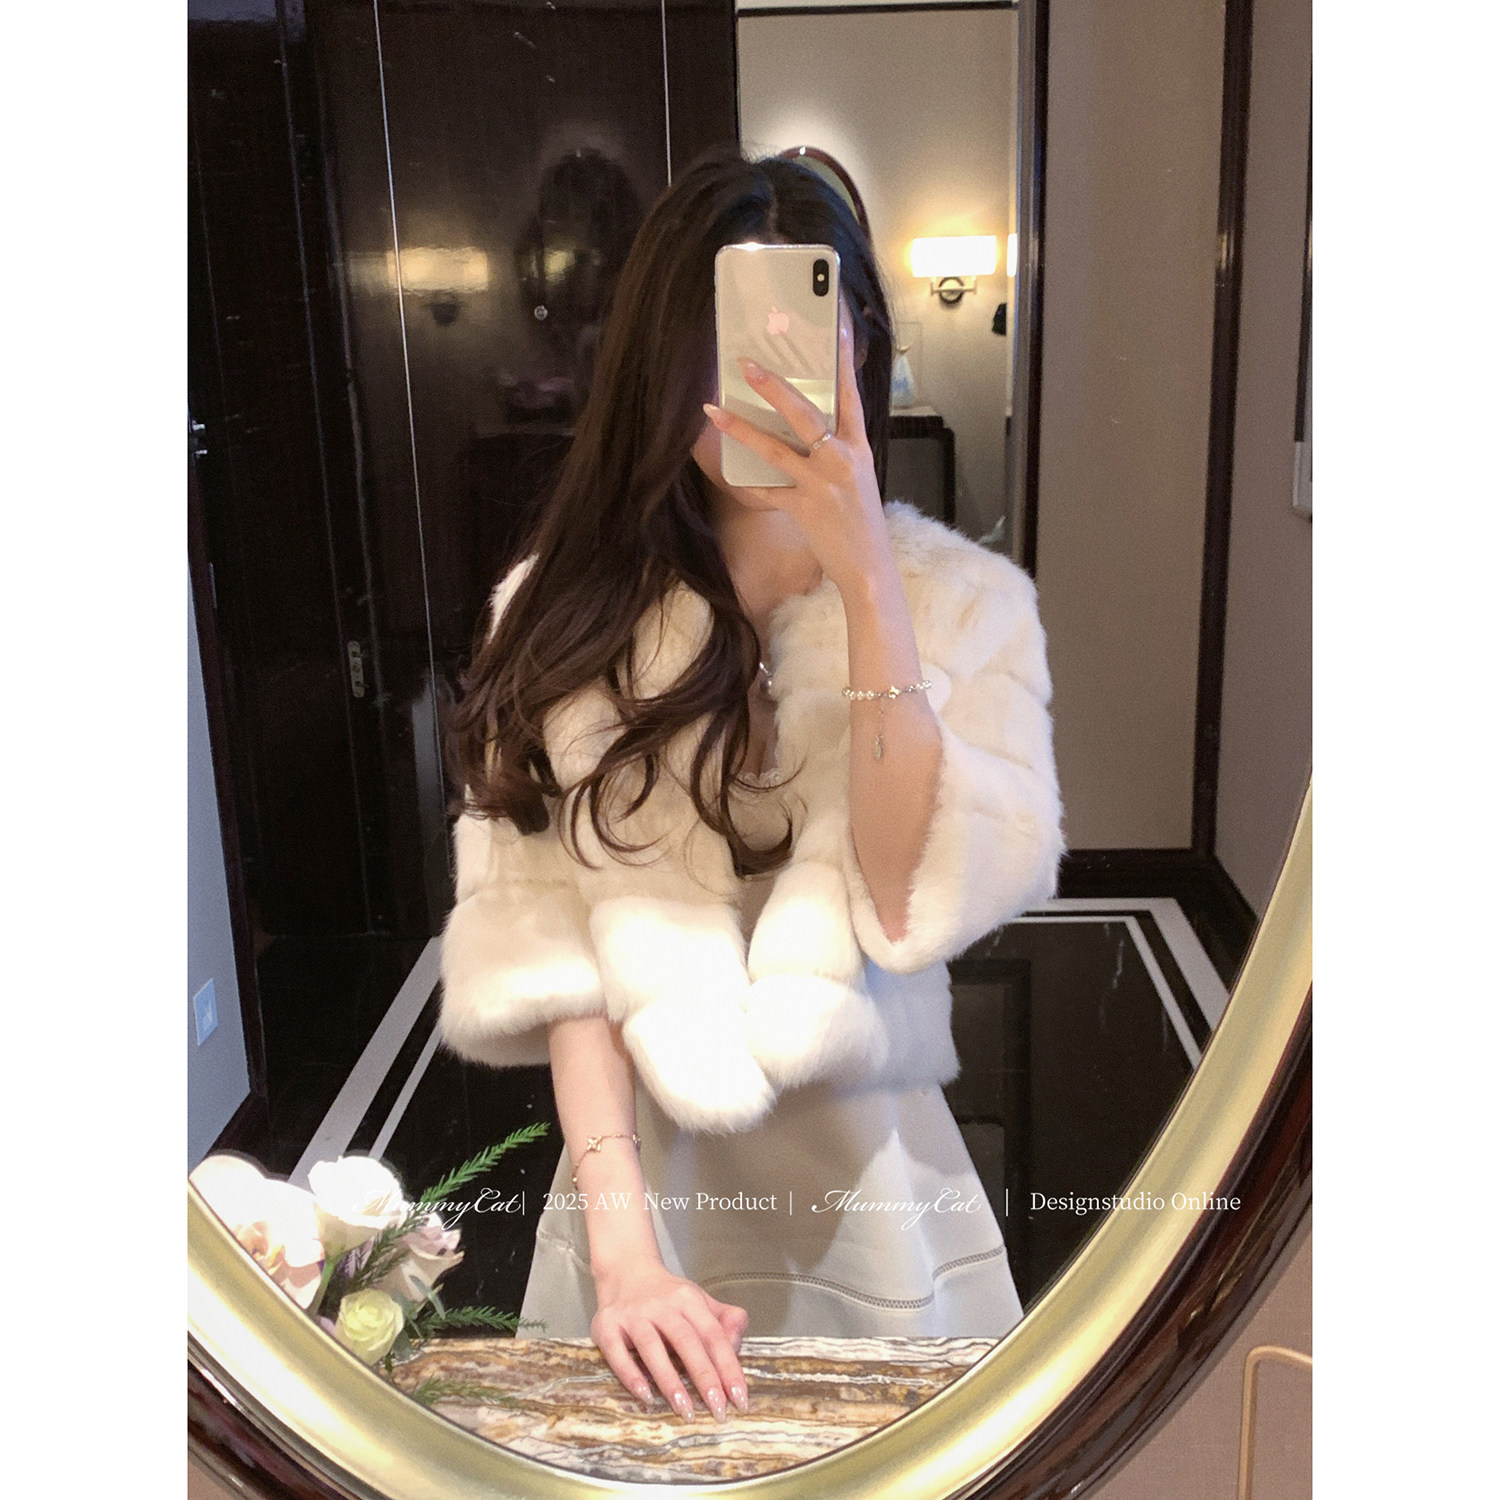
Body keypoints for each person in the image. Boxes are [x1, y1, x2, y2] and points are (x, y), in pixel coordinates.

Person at [438, 145, 1065, 1427]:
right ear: (656, 365)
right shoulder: (557, 618)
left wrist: (872, 588)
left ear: (858, 347)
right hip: (643, 1196)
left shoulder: (967, 610)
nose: (750, 388)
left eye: (796, 342)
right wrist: (625, 1258)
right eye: (717, 346)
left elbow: (904, 900)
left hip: (878, 1190)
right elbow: (565, 963)